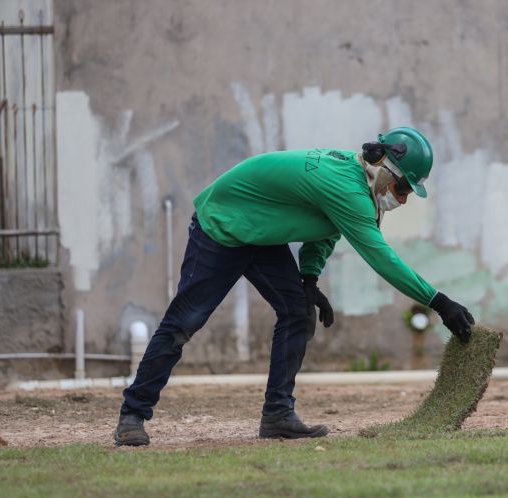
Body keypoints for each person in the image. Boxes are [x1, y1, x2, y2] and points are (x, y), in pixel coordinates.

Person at [114, 127, 475, 445]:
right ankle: (133, 414)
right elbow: (381, 258)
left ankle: (278, 416)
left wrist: (309, 279)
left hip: (262, 232)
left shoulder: (357, 185)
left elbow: (325, 229)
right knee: (185, 321)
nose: (403, 198)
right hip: (223, 224)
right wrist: (439, 302)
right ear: (385, 170)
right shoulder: (346, 187)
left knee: (298, 312)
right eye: (403, 188)